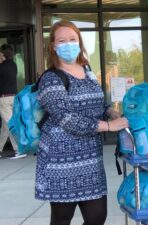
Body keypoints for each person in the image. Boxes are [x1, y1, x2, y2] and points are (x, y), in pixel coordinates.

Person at [35, 20, 129, 225]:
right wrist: (108, 126)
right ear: (53, 46)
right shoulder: (50, 78)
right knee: (62, 219)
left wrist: (109, 111)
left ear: (79, 42)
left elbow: (95, 102)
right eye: (62, 40)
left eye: (72, 39)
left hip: (90, 157)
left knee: (97, 217)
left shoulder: (86, 68)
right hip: (61, 160)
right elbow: (65, 117)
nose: (68, 44)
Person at [0, 44, 27, 159]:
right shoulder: (14, 65)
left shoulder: (1, 67)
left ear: (2, 54)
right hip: (14, 98)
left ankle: (19, 149)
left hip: (4, 99)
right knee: (6, 126)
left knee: (10, 124)